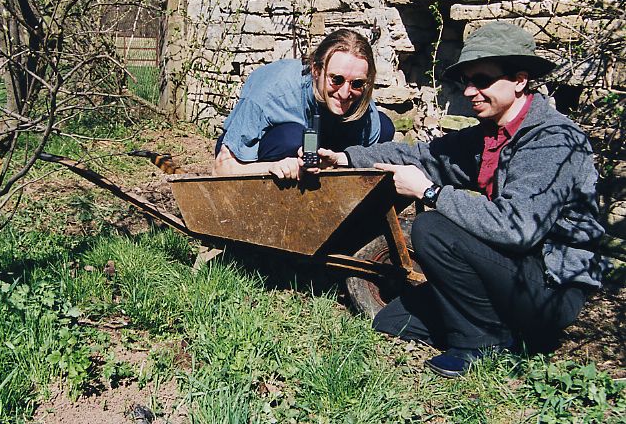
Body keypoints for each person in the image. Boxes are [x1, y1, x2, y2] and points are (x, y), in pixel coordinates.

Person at [317, 22, 611, 378]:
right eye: (466, 82)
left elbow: (519, 229)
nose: (470, 91)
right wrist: (347, 158)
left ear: (519, 80)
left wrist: (430, 192)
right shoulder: (489, 135)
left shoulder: (552, 140)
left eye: (482, 81)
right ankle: (506, 331)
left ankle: (481, 343)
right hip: (512, 271)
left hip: (549, 288)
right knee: (393, 320)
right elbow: (423, 157)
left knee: (432, 228)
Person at [213, 29, 395, 179]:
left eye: (356, 83)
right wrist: (273, 166)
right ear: (316, 70)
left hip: (319, 142)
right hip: (262, 150)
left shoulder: (360, 101)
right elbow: (222, 168)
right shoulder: (272, 91)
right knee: (292, 137)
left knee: (384, 127)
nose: (345, 93)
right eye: (336, 79)